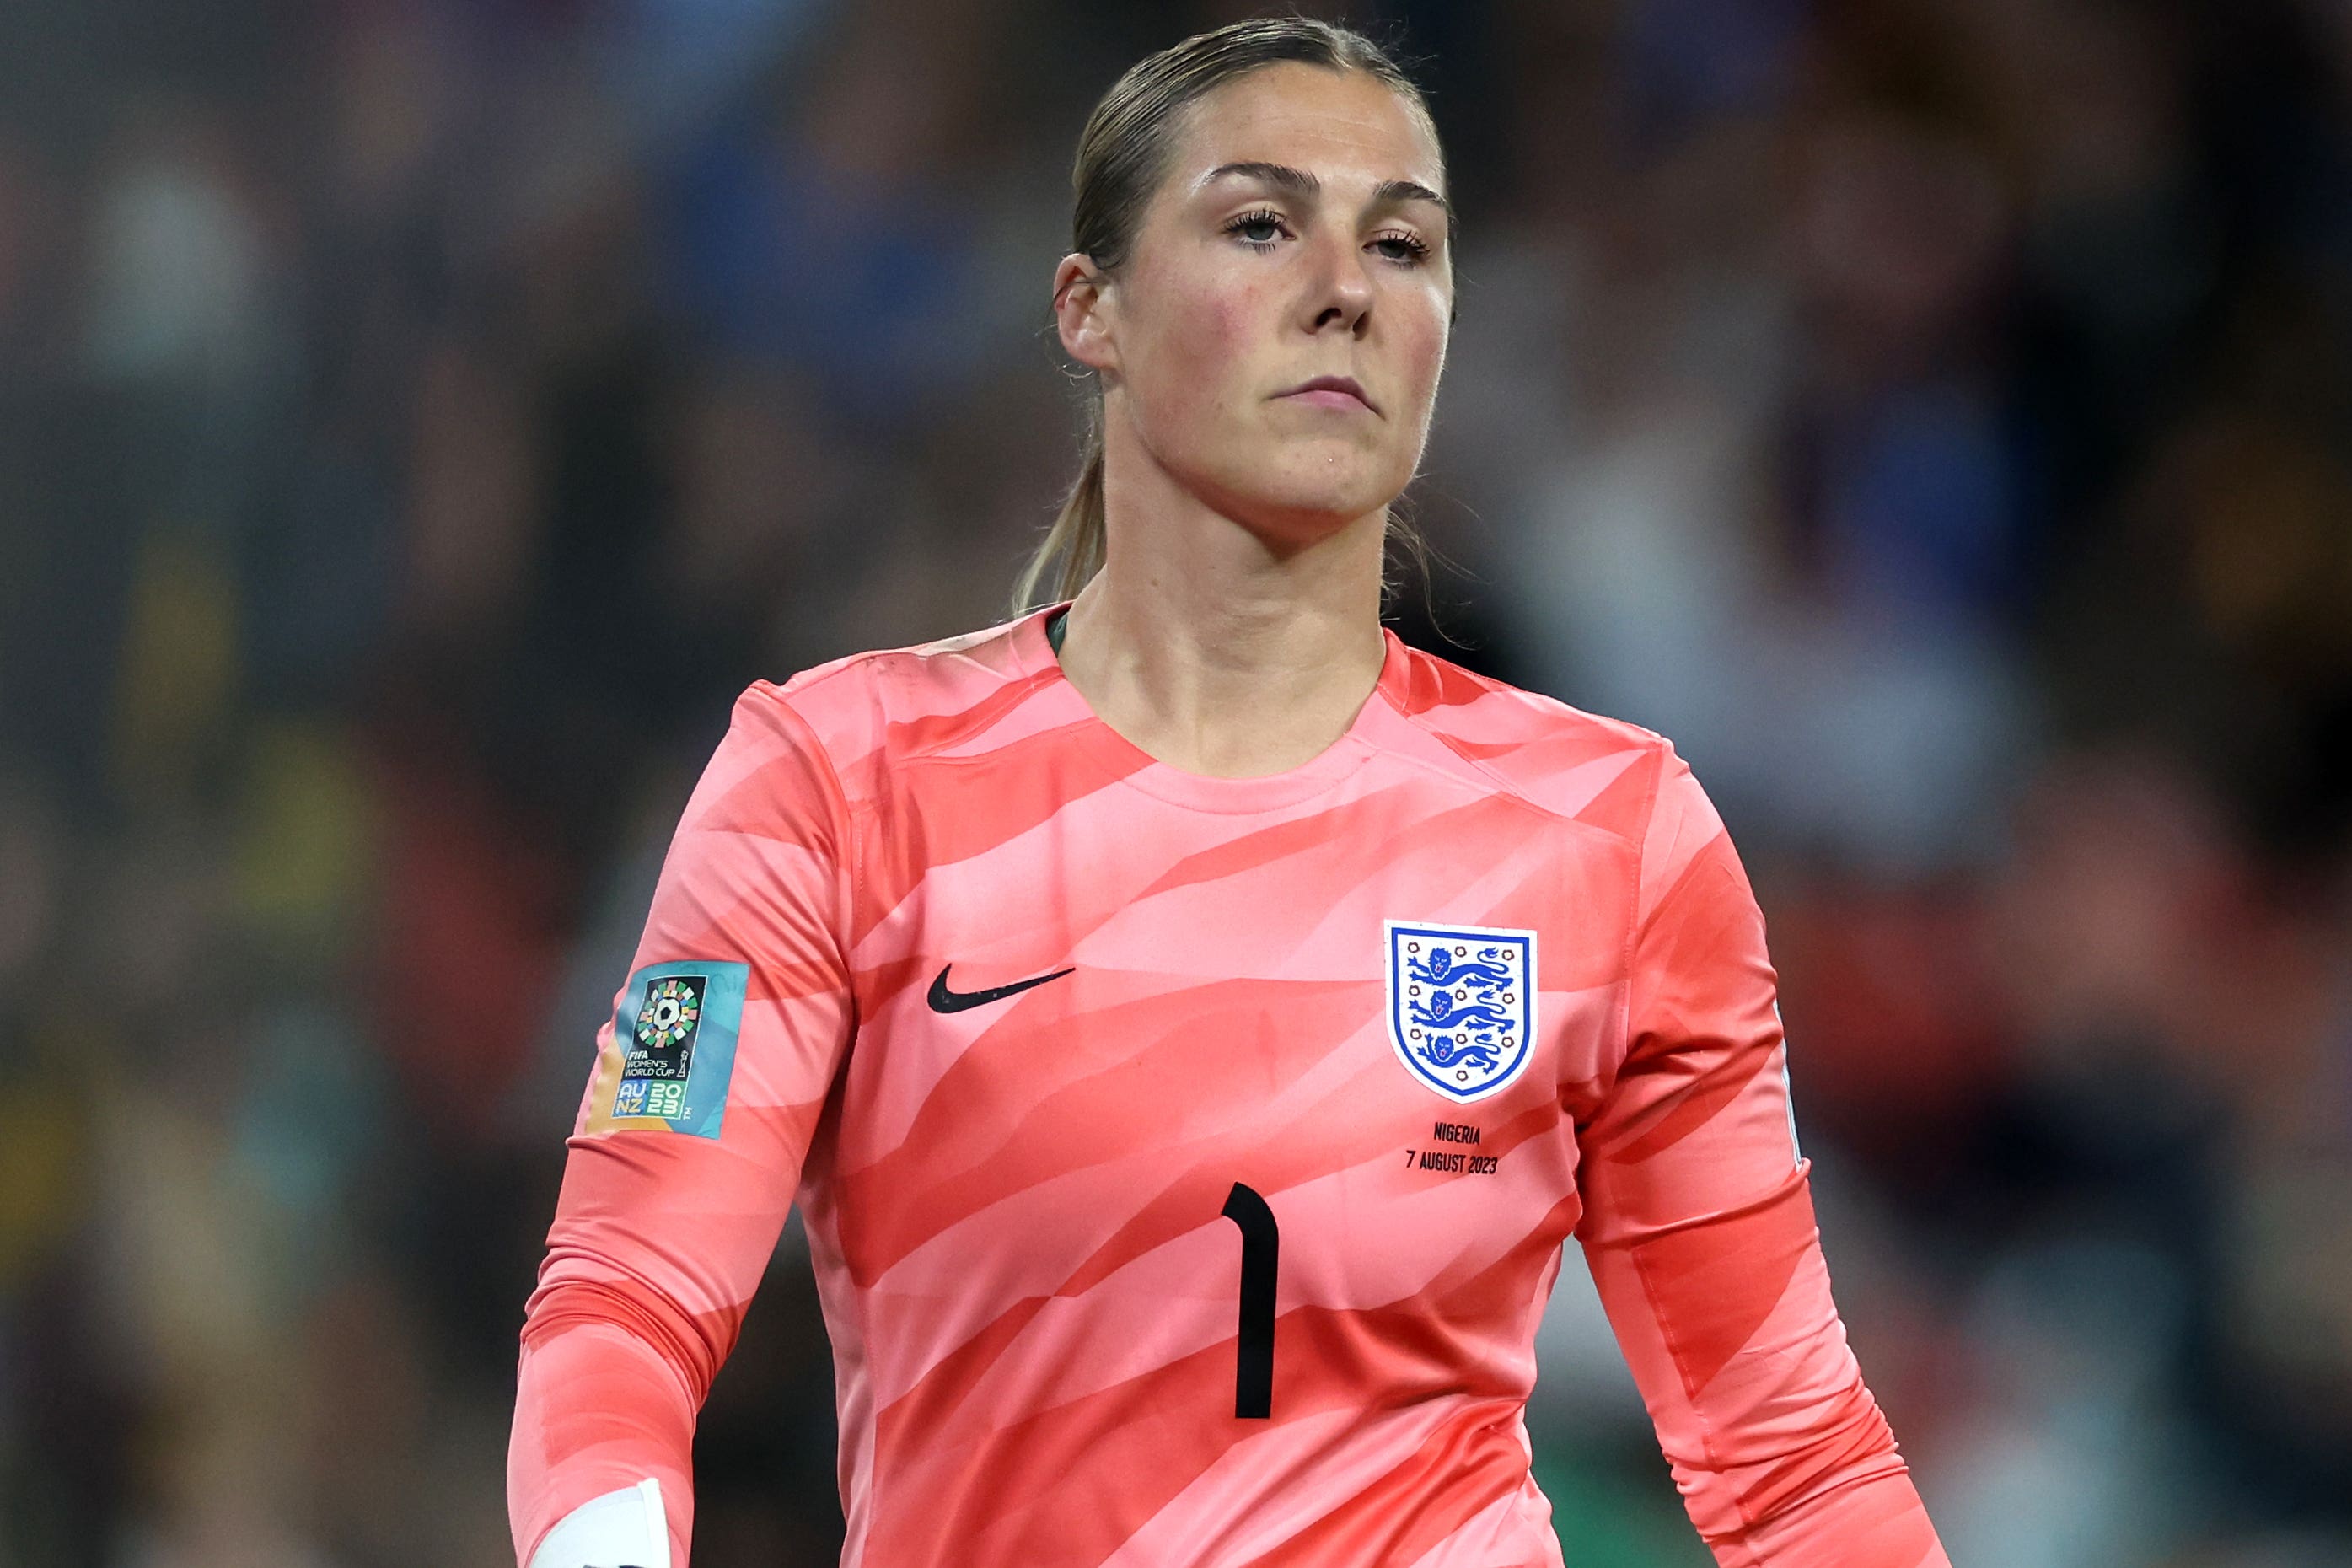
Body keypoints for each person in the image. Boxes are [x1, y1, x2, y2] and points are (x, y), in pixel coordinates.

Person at [507, 16, 1952, 1567]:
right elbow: (627, 1298)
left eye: (1403, 245)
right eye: (1261, 224)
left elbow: (1793, 1463)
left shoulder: (1610, 834)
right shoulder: (837, 783)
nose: (1345, 287)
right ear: (1093, 309)